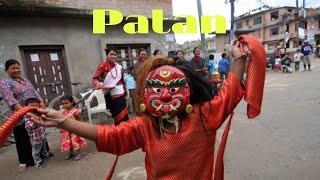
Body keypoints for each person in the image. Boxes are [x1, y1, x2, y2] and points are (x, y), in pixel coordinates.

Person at [28, 38, 265, 180]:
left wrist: (240, 58)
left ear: (187, 91)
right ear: (144, 94)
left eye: (173, 90)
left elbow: (230, 90)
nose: (164, 95)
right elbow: (109, 135)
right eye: (157, 89)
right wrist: (64, 121)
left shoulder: (204, 115)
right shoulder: (145, 126)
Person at [0, 59, 52, 171]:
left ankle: (42, 154)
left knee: (38, 132)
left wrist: (41, 103)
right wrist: (25, 112)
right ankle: (26, 160)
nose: (16, 70)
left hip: (34, 111)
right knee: (23, 136)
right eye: (13, 68)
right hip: (19, 114)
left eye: (17, 67)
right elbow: (10, 100)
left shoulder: (25, 80)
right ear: (6, 70)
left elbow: (35, 92)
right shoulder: (5, 82)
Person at [92, 48, 129, 125]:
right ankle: (119, 133)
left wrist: (125, 92)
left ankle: (126, 132)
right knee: (117, 116)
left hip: (121, 94)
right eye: (111, 54)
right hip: (110, 95)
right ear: (107, 55)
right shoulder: (102, 66)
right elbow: (95, 79)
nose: (113, 56)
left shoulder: (119, 67)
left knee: (124, 116)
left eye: (115, 54)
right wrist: (98, 84)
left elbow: (122, 80)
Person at [59, 95, 87, 161]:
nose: (64, 105)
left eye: (66, 103)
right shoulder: (61, 112)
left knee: (75, 141)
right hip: (66, 130)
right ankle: (70, 152)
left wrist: (80, 126)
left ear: (72, 102)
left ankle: (78, 153)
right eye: (62, 104)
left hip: (74, 130)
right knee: (68, 142)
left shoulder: (76, 111)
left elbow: (80, 120)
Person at [24, 98, 49, 168]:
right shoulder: (27, 117)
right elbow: (31, 126)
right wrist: (35, 118)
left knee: (44, 146)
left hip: (42, 135)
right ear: (26, 107)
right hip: (35, 138)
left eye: (36, 106)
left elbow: (43, 121)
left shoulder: (37, 113)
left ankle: (45, 154)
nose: (34, 107)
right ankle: (38, 162)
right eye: (32, 106)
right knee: (36, 150)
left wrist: (42, 117)